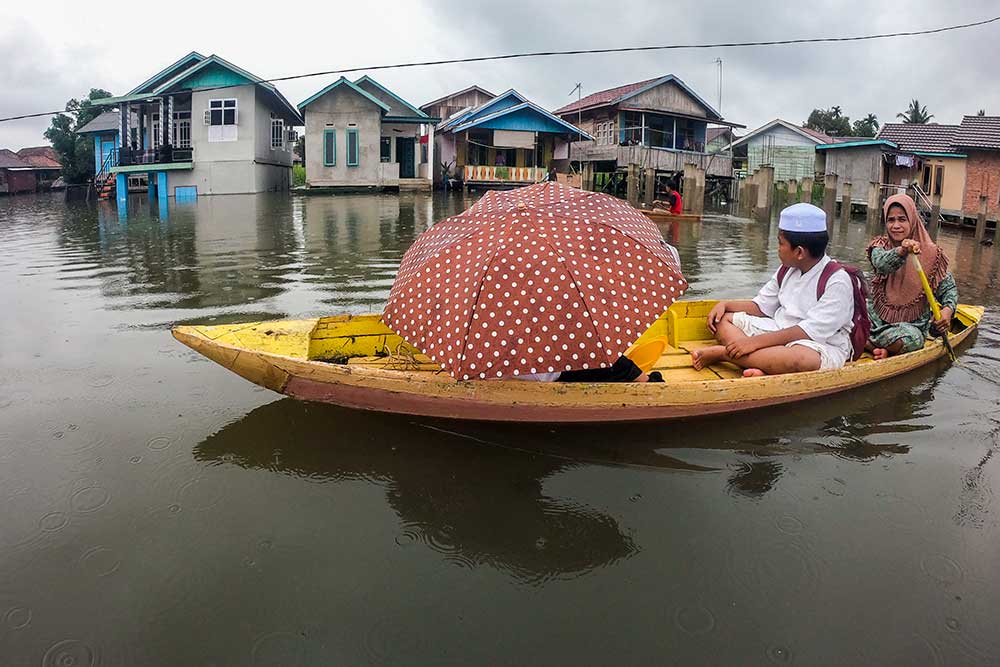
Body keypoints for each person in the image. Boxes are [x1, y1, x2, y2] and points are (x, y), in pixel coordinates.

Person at [691, 203, 855, 377]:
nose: (777, 249)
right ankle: (765, 364)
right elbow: (761, 307)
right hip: (778, 331)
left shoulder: (837, 281)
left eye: (780, 243)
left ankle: (724, 354)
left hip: (818, 344)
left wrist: (754, 343)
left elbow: (808, 331)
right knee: (722, 320)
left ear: (799, 252)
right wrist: (725, 304)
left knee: (802, 360)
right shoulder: (787, 269)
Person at [866, 193, 957, 359]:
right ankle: (876, 346)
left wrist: (946, 313)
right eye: (891, 220)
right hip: (875, 321)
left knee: (911, 339)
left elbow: (949, 290)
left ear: (913, 220)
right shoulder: (879, 246)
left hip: (908, 328)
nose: (896, 225)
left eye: (902, 219)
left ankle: (871, 344)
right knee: (848, 316)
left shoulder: (932, 254)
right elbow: (882, 264)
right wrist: (902, 251)